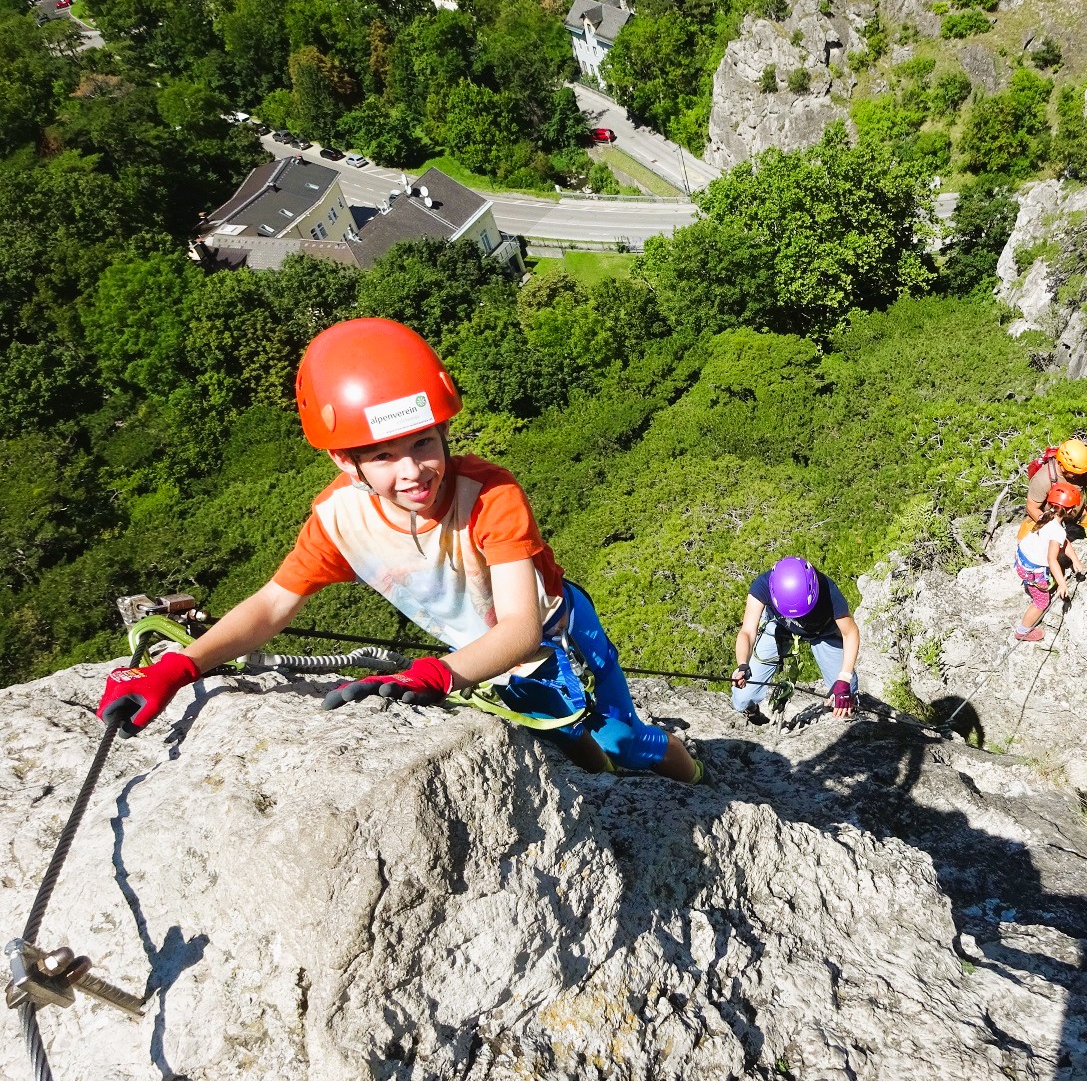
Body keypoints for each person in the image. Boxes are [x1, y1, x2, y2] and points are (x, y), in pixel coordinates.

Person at [96, 318, 703, 784]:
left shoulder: (488, 495)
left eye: (423, 443)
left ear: (444, 434)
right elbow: (273, 605)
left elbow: (521, 628)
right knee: (566, 741)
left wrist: (439, 674)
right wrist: (179, 668)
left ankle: (696, 777)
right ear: (345, 460)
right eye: (383, 456)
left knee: (621, 739)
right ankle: (603, 788)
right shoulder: (341, 520)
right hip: (477, 661)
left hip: (557, 632)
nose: (412, 471)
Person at [730, 557, 860, 722]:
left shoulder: (829, 591)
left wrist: (844, 678)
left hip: (823, 632)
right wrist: (742, 665)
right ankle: (751, 709)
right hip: (779, 625)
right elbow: (747, 632)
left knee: (845, 698)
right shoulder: (763, 585)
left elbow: (850, 632)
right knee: (742, 698)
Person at [1014, 482, 1087, 642]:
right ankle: (1022, 631)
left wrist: (1074, 559)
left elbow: (1064, 541)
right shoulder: (1057, 530)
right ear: (1069, 510)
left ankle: (1032, 584)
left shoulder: (1046, 516)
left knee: (1045, 582)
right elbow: (1051, 559)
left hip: (1022, 559)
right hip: (1032, 569)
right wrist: (1062, 583)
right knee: (1042, 601)